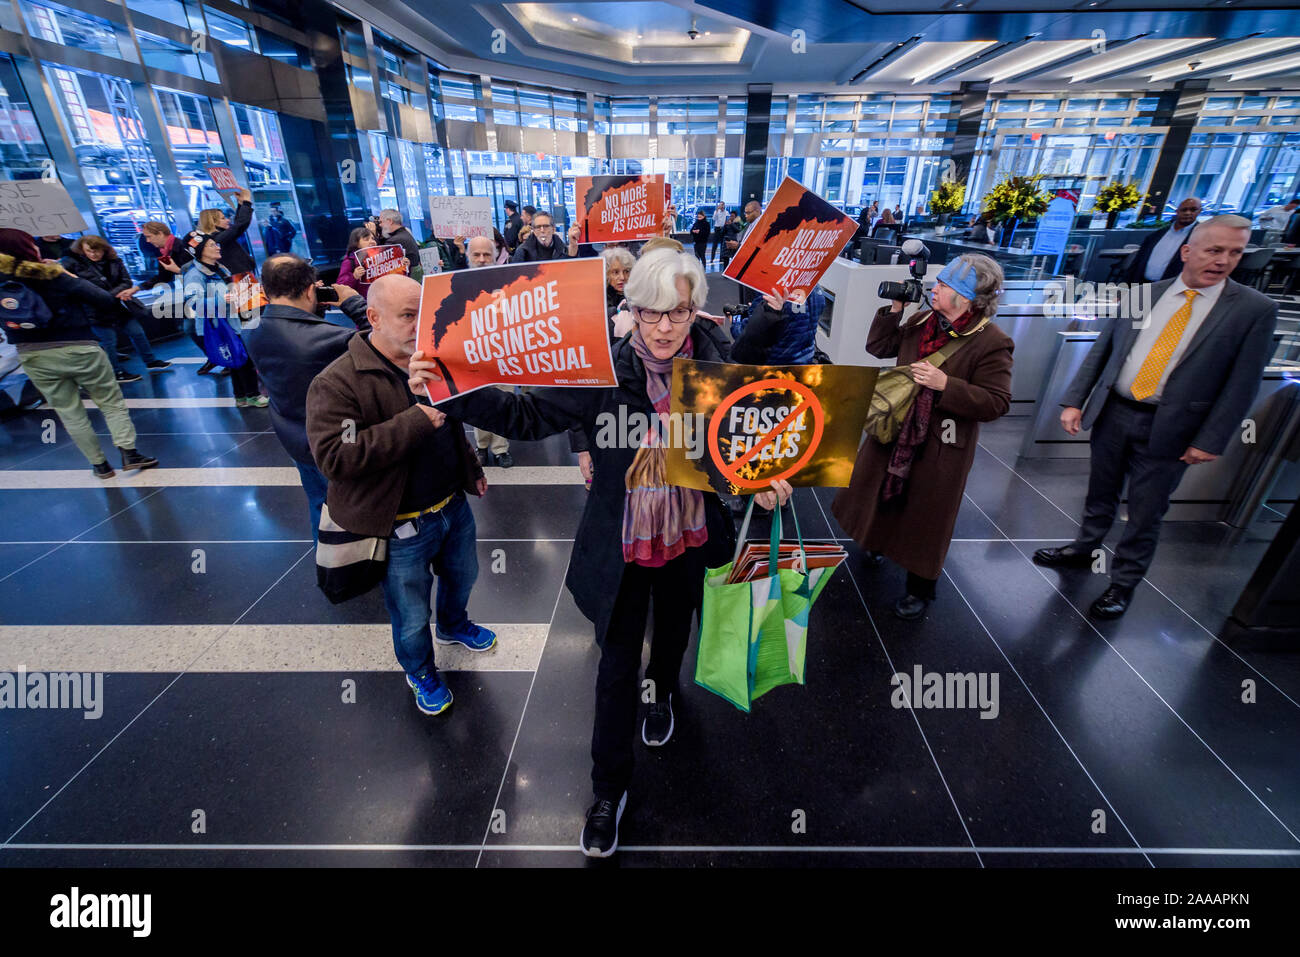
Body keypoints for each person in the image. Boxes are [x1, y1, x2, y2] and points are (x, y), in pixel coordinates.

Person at [408, 247, 792, 857]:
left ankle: (663, 690)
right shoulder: (603, 372)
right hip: (622, 542)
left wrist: (762, 483)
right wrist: (450, 389)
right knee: (615, 670)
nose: (664, 328)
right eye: (650, 313)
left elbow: (739, 451)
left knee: (673, 634)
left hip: (693, 536)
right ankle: (609, 789)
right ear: (631, 310)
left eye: (678, 313)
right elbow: (524, 414)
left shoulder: (722, 369)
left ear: (696, 311)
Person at [1034, 216, 1279, 618]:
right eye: (1214, 250)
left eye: (1235, 252)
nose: (1224, 260)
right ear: (1187, 251)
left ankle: (1123, 583)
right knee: (1101, 492)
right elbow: (1105, 350)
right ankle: (1084, 548)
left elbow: (1243, 385)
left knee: (1146, 511)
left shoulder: (1253, 310)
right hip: (1115, 411)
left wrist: (1210, 440)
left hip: (1173, 426)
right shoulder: (1144, 294)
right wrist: (1076, 400)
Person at [306, 273, 493, 717]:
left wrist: (472, 468)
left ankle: (453, 624)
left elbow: (451, 429)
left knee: (462, 577)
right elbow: (335, 456)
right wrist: (413, 421)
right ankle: (420, 670)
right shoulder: (338, 382)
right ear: (373, 317)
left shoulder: (431, 362)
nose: (419, 326)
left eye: (424, 315)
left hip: (452, 506)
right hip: (399, 525)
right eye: (408, 316)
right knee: (409, 612)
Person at [832, 255, 1014, 620]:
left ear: (966, 298)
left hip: (939, 446)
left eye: (945, 285)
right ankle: (876, 542)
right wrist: (894, 309)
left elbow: (996, 403)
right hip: (896, 429)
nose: (936, 288)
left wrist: (947, 385)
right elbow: (879, 348)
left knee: (925, 517)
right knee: (882, 495)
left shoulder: (992, 341)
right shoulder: (922, 320)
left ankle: (921, 588)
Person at [0, 228, 158, 478]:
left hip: (32, 355)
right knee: (110, 402)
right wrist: (67, 275)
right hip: (79, 346)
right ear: (27, 248)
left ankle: (99, 465)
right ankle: (129, 452)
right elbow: (105, 299)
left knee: (69, 411)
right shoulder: (54, 275)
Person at [243, 254, 371, 536]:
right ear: (310, 289)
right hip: (337, 444)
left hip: (295, 438)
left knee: (319, 507)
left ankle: (327, 564)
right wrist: (352, 302)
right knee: (350, 515)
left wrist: (311, 309)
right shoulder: (330, 339)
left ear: (266, 290)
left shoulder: (251, 330)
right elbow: (384, 345)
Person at [61, 236, 171, 382]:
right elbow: (74, 288)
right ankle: (116, 371)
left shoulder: (114, 261)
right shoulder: (73, 264)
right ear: (82, 250)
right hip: (94, 309)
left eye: (97, 251)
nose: (94, 255)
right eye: (89, 251)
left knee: (137, 333)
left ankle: (150, 361)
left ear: (103, 250)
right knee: (108, 342)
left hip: (117, 305)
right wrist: (107, 295)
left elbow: (126, 281)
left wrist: (108, 296)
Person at [181, 234, 265, 408]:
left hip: (231, 321)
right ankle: (253, 395)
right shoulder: (195, 275)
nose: (217, 247)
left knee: (236, 360)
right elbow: (193, 302)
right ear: (200, 251)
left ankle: (241, 397)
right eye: (212, 245)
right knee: (242, 358)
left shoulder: (220, 268)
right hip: (217, 326)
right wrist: (221, 300)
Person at [463, 235, 514, 469]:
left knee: (502, 402)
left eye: (487, 255)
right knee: (479, 403)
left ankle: (501, 449)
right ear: (468, 256)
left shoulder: (506, 283)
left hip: (501, 354)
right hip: (472, 356)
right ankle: (481, 446)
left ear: (495, 257)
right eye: (477, 255)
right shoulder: (456, 283)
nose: (482, 259)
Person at [1126, 197, 1201, 284]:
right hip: (1142, 285)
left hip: (1170, 289)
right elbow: (1137, 263)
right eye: (1184, 210)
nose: (1188, 213)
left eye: (1193, 210)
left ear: (1199, 211)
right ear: (1177, 211)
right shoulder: (1156, 235)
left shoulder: (1201, 237)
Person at [196, 188, 257, 276]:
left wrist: (240, 204)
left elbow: (237, 225)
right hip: (240, 277)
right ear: (213, 222)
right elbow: (240, 225)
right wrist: (246, 201)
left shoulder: (216, 237)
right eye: (223, 218)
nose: (228, 220)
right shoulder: (218, 238)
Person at [509, 211, 579, 262]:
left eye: (546, 226)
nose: (542, 230)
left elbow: (571, 269)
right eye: (538, 227)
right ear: (534, 231)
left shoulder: (562, 248)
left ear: (553, 229)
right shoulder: (523, 251)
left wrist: (573, 244)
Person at [335, 226, 381, 299]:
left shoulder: (381, 256)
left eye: (373, 238)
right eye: (366, 239)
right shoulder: (350, 261)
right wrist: (354, 276)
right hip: (362, 302)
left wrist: (402, 266)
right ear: (356, 243)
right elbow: (340, 285)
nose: (372, 241)